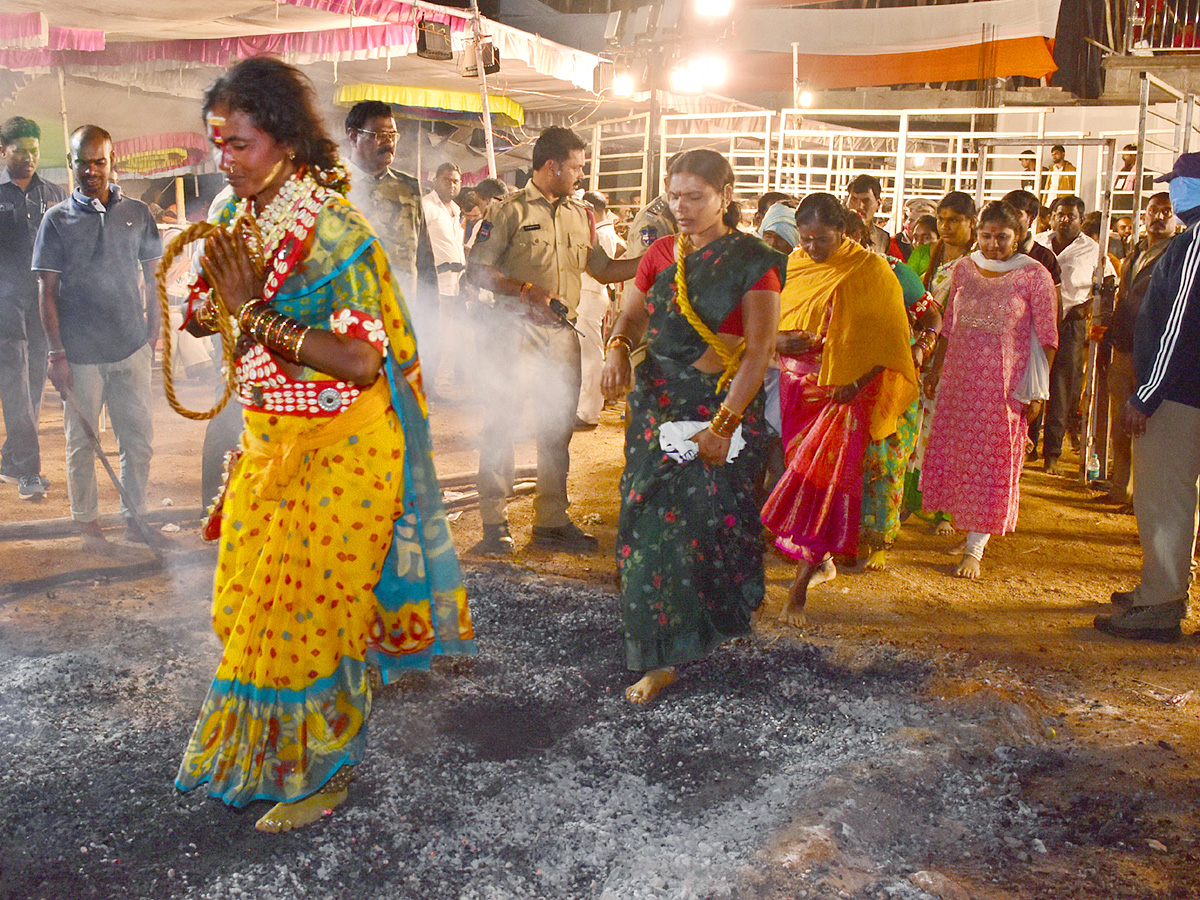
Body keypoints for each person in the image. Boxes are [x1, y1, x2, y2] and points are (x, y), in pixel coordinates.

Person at [173, 58, 475, 832]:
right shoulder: (247, 216)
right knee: (247, 604)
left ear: (282, 140)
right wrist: (216, 307)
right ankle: (281, 751)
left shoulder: (333, 232)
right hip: (272, 442)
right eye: (218, 143)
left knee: (309, 615)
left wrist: (253, 311)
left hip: (344, 451)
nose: (224, 158)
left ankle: (320, 772)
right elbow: (221, 315)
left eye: (238, 143)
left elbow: (357, 359)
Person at [599, 148, 784, 704]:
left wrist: (724, 426)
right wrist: (615, 350)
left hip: (719, 410)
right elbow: (630, 315)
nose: (681, 207)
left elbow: (758, 351)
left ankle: (714, 621)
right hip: (657, 405)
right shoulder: (659, 253)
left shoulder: (754, 260)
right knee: (647, 523)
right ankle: (662, 652)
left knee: (711, 524)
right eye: (674, 195)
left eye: (695, 197)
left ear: (726, 197)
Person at [466, 126, 634, 555]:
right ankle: (493, 523)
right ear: (552, 165)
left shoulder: (582, 215)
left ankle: (551, 521)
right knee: (503, 422)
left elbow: (601, 268)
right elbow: (478, 270)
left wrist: (652, 260)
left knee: (557, 428)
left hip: (563, 335)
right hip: (515, 331)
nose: (581, 175)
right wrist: (525, 291)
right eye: (577, 166)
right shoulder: (508, 212)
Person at [761, 194, 917, 623]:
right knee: (798, 472)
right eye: (806, 239)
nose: (812, 248)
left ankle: (799, 589)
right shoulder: (796, 263)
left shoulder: (871, 271)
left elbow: (890, 341)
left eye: (822, 240)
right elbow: (773, 318)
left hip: (844, 394)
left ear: (844, 232)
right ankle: (820, 559)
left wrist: (855, 384)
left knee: (824, 482)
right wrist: (778, 341)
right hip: (796, 388)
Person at [32, 125, 162, 552]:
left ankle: (135, 519)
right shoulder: (56, 220)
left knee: (137, 439)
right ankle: (88, 527)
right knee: (82, 443)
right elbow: (46, 291)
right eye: (82, 162)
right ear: (71, 164)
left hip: (130, 348)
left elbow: (152, 275)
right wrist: (56, 354)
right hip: (81, 354)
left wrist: (154, 331)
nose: (91, 170)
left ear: (112, 161)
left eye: (99, 161)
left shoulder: (138, 213)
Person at [920, 201, 1058, 578]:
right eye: (986, 236)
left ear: (1019, 237)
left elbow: (1047, 338)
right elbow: (948, 324)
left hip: (1003, 387)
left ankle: (976, 547)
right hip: (958, 382)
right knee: (960, 456)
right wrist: (936, 367)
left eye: (1002, 237)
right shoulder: (964, 269)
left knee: (991, 462)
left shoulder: (1034, 275)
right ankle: (965, 527)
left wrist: (1034, 390)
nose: (993, 244)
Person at [1095, 153, 1200, 642]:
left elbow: (1177, 326)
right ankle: (1168, 584)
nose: (1174, 193)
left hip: (1180, 396)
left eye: (1178, 183)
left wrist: (1147, 393)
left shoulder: (1193, 244)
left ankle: (1160, 601)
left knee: (1166, 498)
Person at [845, 213, 942, 571]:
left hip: (891, 380)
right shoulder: (822, 272)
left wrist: (924, 347)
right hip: (842, 381)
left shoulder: (896, 272)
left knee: (885, 462)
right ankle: (843, 536)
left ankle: (879, 539)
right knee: (848, 461)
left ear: (860, 238)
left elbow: (932, 316)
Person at [1095, 192, 1175, 508]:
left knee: (1147, 428)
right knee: (1120, 424)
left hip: (1154, 352)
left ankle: (1141, 496)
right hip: (1125, 345)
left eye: (1166, 211)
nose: (1159, 216)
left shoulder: (1176, 253)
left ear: (1175, 217)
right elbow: (1123, 299)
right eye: (1154, 210)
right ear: (1144, 216)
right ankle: (1120, 488)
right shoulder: (1136, 252)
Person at [0, 116, 64, 501]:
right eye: (19, 150)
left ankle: (10, 461)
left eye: (34, 150)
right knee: (15, 382)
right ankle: (28, 470)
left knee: (35, 382)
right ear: (2, 151)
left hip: (44, 302)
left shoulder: (55, 194)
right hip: (4, 304)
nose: (28, 157)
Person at [903, 191, 976, 528]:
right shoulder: (925, 253)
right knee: (916, 426)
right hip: (924, 343)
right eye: (942, 220)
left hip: (962, 351)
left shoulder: (978, 260)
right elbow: (910, 292)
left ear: (970, 222)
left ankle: (945, 509)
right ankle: (909, 499)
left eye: (954, 221)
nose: (945, 227)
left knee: (949, 430)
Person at [1033, 196, 1116, 474]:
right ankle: (1028, 445)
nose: (1064, 220)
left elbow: (1108, 281)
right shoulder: (1038, 242)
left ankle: (1052, 454)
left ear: (1082, 220)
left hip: (1070, 323)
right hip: (1034, 323)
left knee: (1060, 387)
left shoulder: (1093, 249)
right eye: (1059, 214)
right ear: (1051, 217)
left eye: (1071, 216)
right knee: (1032, 381)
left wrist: (1089, 306)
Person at [343, 101, 436, 307]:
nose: (389, 143)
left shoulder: (408, 187)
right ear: (353, 136)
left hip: (404, 312)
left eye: (393, 136)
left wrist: (431, 318)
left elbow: (424, 258)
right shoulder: (333, 187)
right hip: (351, 315)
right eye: (379, 135)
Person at [576, 189, 625, 428]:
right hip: (590, 294)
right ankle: (586, 407)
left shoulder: (602, 234)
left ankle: (588, 411)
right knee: (588, 353)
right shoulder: (607, 232)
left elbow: (599, 268)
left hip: (591, 293)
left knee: (590, 355)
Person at [421, 162, 466, 391]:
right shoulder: (426, 206)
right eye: (447, 179)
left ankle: (444, 382)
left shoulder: (457, 210)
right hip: (435, 281)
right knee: (434, 332)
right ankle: (429, 384)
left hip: (457, 282)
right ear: (435, 180)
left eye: (456, 181)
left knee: (451, 334)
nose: (452, 184)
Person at [846, 174, 908, 259]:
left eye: (866, 201)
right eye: (854, 199)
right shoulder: (835, 232)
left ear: (878, 204)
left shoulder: (883, 239)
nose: (859, 206)